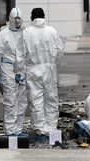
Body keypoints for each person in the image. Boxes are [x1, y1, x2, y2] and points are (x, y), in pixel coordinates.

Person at [15, 8, 64, 142]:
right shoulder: (52, 31)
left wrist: (19, 71)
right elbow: (60, 50)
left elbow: (20, 55)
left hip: (32, 69)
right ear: (44, 16)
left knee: (36, 101)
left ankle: (41, 132)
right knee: (51, 99)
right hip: (49, 68)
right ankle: (51, 130)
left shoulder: (26, 33)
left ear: (31, 18)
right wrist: (54, 65)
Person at [0, 8, 28, 136]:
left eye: (19, 18)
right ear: (11, 19)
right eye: (15, 18)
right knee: (11, 100)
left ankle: (18, 129)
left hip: (22, 70)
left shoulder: (26, 33)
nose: (17, 21)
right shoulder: (3, 35)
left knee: (21, 101)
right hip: (8, 69)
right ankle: (10, 130)